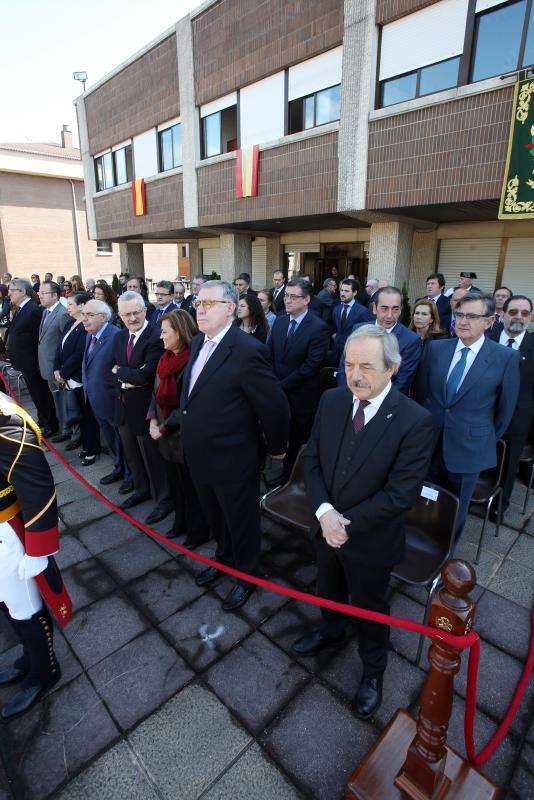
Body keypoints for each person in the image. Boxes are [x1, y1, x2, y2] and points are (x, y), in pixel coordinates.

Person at [292, 326, 434, 718]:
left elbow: (400, 494)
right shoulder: (332, 400)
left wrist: (343, 525)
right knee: (327, 586)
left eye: (367, 366)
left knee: (370, 607)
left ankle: (373, 669)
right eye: (349, 364)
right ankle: (331, 629)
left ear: (393, 368)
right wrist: (324, 513)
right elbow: (313, 459)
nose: (355, 375)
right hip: (325, 527)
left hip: (371, 540)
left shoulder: (415, 421)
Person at [180, 280, 290, 611]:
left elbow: (274, 406)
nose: (200, 310)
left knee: (241, 521)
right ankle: (224, 559)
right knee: (216, 517)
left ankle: (247, 576)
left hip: (232, 457)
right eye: (198, 303)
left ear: (230, 308)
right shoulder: (198, 341)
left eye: (208, 304)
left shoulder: (247, 350)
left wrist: (277, 448)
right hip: (199, 452)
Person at [422, 293, 520, 539]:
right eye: (459, 315)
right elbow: (422, 395)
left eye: (472, 316)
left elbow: (504, 412)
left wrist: (480, 439)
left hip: (469, 450)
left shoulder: (505, 358)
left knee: (454, 512)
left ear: (489, 321)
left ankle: (445, 557)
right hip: (430, 444)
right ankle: (419, 546)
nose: (463, 321)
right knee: (423, 503)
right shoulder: (436, 349)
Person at [0, 392, 72, 719]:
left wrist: (39, 549)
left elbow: (37, 483)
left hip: (7, 535)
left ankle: (45, 671)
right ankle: (30, 657)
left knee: (24, 607)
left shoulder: (5, 420)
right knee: (7, 604)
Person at [148, 310, 209, 544]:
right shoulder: (165, 359)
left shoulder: (194, 361)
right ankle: (180, 522)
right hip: (166, 437)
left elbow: (188, 405)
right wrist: (152, 419)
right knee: (175, 485)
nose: (160, 336)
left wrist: (162, 428)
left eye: (165, 332)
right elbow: (154, 393)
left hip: (184, 437)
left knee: (192, 489)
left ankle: (197, 532)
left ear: (179, 332)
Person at [112, 291, 173, 524]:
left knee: (154, 459)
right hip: (123, 407)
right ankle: (141, 489)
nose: (132, 318)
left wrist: (121, 372)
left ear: (145, 311)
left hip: (147, 410)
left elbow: (146, 375)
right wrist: (127, 377)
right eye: (126, 314)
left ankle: (164, 500)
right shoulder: (119, 336)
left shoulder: (155, 336)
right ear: (119, 315)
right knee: (133, 456)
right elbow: (109, 368)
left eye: (136, 312)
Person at [268, 277, 330, 484]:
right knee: (280, 435)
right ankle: (282, 475)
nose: (288, 300)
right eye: (286, 295)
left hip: (302, 397)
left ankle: (294, 481)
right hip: (278, 393)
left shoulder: (318, 327)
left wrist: (281, 385)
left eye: (294, 297)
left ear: (306, 300)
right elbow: (270, 354)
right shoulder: (280, 321)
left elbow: (311, 366)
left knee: (298, 440)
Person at [488, 295, 534, 519]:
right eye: (513, 312)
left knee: (507, 464)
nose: (518, 317)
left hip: (517, 418)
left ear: (530, 317)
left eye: (525, 313)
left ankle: (500, 505)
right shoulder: (487, 337)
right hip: (483, 413)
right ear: (503, 314)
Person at [81, 300, 131, 491]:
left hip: (112, 399)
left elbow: (120, 368)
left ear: (103, 317)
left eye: (89, 315)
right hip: (96, 398)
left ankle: (130, 476)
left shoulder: (115, 335)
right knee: (111, 438)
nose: (84, 319)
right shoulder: (91, 334)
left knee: (122, 440)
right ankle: (119, 467)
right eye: (83, 314)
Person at [337, 286, 422, 395]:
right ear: (374, 308)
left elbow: (402, 382)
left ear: (401, 309)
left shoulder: (411, 340)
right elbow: (344, 367)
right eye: (384, 308)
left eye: (395, 309)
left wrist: (370, 401)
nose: (390, 315)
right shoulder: (358, 329)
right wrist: (349, 396)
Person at [7, 278, 58, 436]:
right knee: (35, 393)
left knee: (41, 392)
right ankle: (43, 418)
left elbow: (40, 337)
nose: (9, 293)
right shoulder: (20, 309)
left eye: (12, 290)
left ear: (22, 291)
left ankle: (50, 423)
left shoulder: (33, 309)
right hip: (25, 361)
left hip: (33, 361)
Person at [53, 291, 93, 453]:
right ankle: (81, 440)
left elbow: (79, 354)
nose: (67, 307)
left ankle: (89, 446)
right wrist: (56, 368)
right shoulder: (70, 323)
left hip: (76, 377)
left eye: (70, 304)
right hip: (65, 375)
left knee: (83, 414)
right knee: (73, 410)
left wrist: (63, 373)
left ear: (82, 305)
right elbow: (59, 347)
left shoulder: (86, 326)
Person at [37, 281, 69, 442]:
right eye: (39, 292)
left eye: (43, 293)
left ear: (55, 295)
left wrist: (61, 367)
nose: (40, 295)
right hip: (47, 365)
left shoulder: (62, 313)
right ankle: (62, 427)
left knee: (64, 401)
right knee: (56, 400)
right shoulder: (46, 312)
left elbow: (65, 343)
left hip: (57, 368)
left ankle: (67, 431)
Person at [331, 278, 370, 365]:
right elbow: (334, 326)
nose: (342, 294)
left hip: (353, 355)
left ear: (354, 293)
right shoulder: (336, 309)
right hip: (336, 353)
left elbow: (367, 334)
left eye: (346, 291)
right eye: (341, 290)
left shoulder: (362, 311)